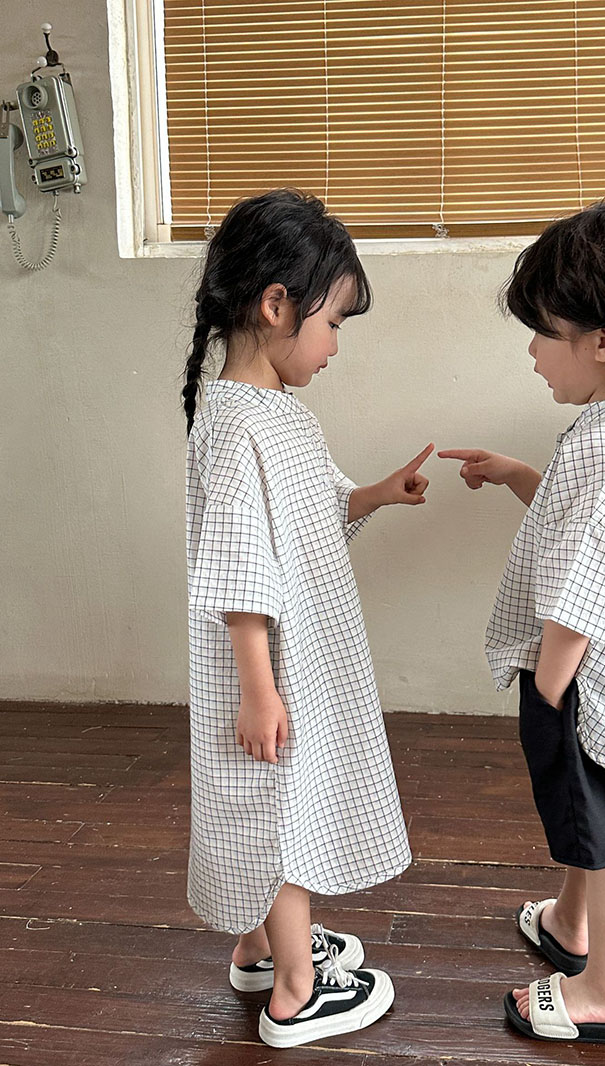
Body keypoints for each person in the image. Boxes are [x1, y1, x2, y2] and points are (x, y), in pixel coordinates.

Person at [440, 200, 605, 1045]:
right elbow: (585, 526)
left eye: (544, 332)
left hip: (591, 690)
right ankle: (569, 923)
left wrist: (553, 680)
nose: (531, 350)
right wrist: (520, 473)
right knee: (592, 826)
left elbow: (593, 574)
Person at [182, 189, 431, 1048]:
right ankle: (296, 991)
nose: (334, 346)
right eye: (332, 324)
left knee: (271, 802)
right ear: (276, 305)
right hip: (268, 669)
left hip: (295, 660)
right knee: (282, 811)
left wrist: (377, 494)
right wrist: (259, 691)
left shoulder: (275, 413)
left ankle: (260, 949)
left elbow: (311, 513)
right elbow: (240, 571)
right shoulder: (235, 427)